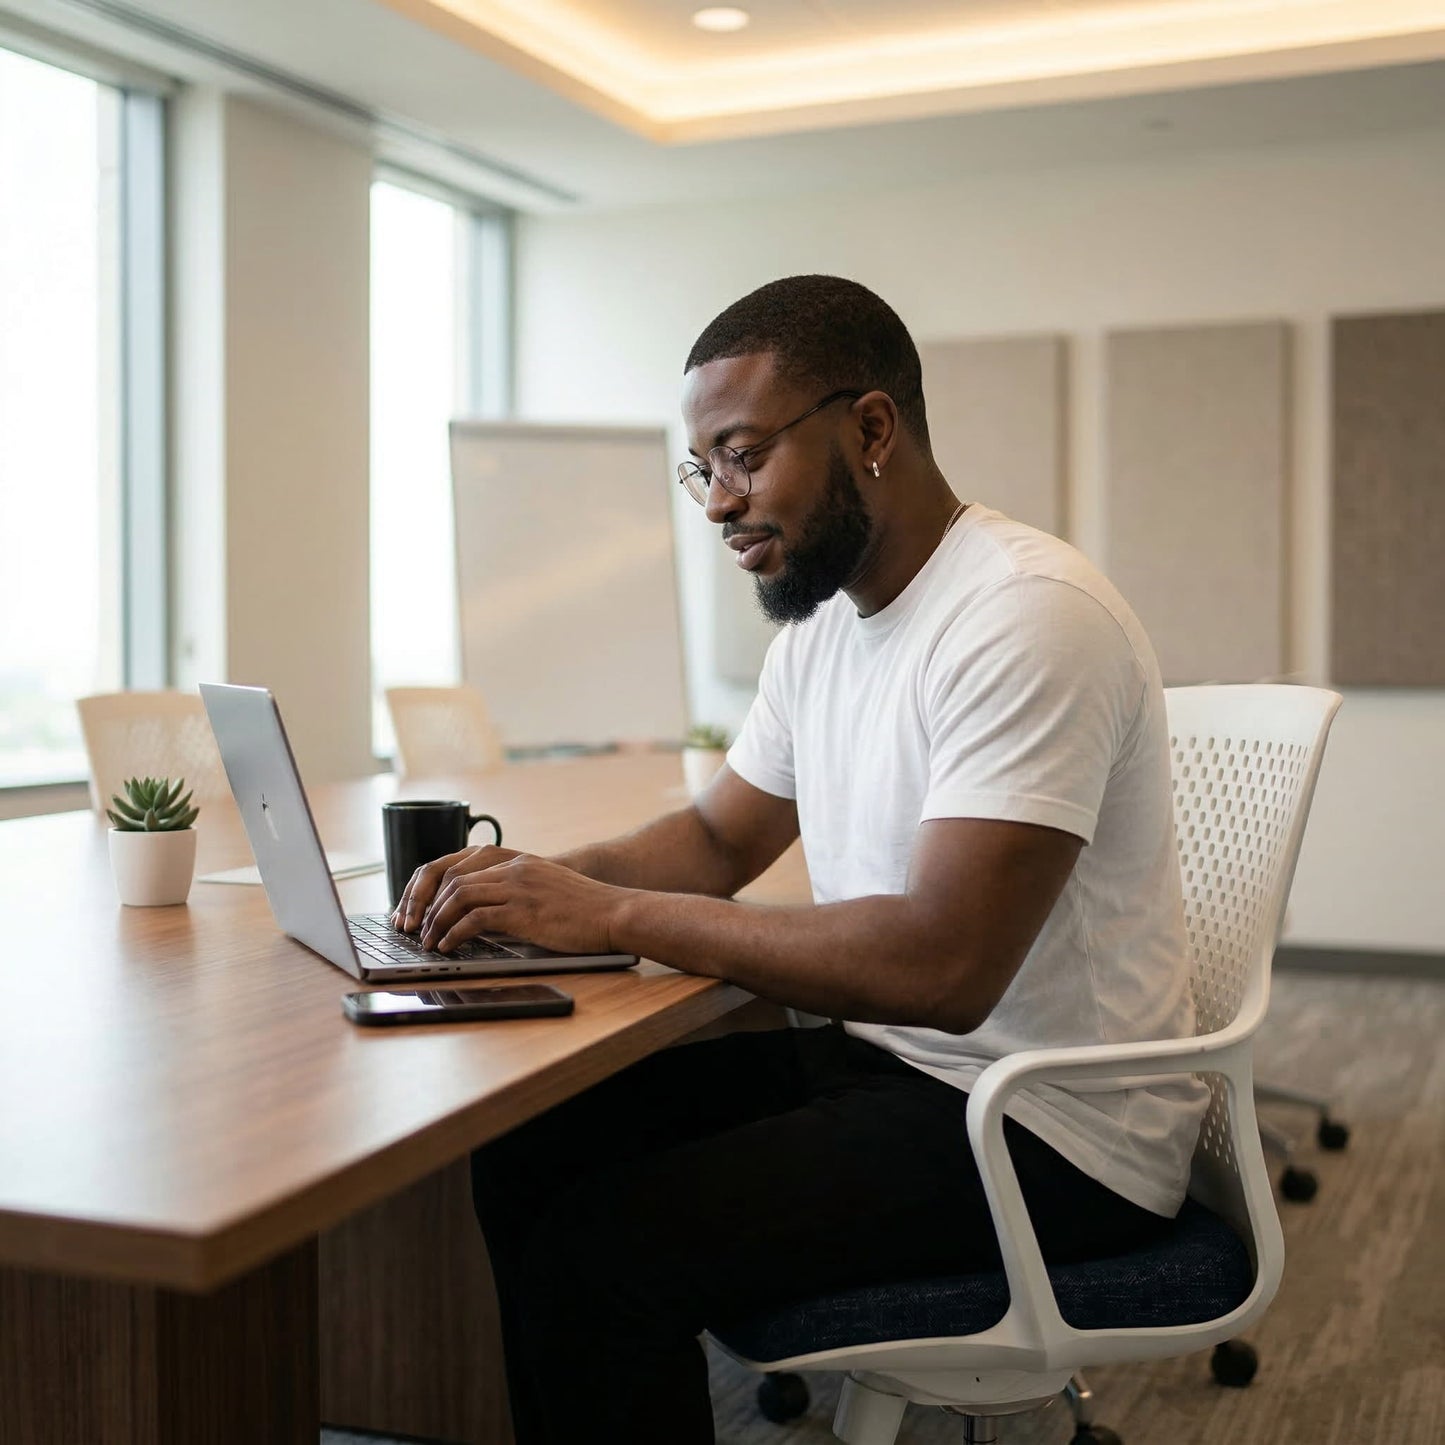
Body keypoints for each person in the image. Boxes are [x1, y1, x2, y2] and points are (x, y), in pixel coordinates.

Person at [391, 274, 1208, 1445]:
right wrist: (527, 889)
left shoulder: (1025, 614)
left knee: (600, 1254)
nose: (716, 501)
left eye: (740, 454)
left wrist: (610, 911)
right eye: (700, 469)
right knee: (526, 1145)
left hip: (1050, 1128)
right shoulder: (823, 625)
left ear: (869, 429)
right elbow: (719, 837)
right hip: (905, 1071)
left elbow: (942, 964)